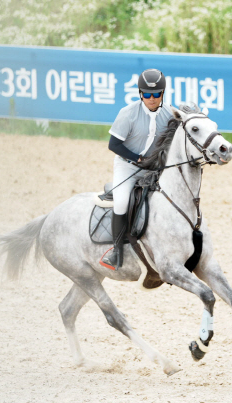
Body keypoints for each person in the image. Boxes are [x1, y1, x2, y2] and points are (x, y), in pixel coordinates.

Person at [100, 68, 174, 271]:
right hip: (127, 166)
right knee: (122, 202)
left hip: (155, 168)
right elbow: (113, 145)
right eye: (147, 94)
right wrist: (137, 159)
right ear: (140, 94)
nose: (152, 98)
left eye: (156, 94)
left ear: (162, 94)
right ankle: (116, 250)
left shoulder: (170, 114)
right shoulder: (128, 113)